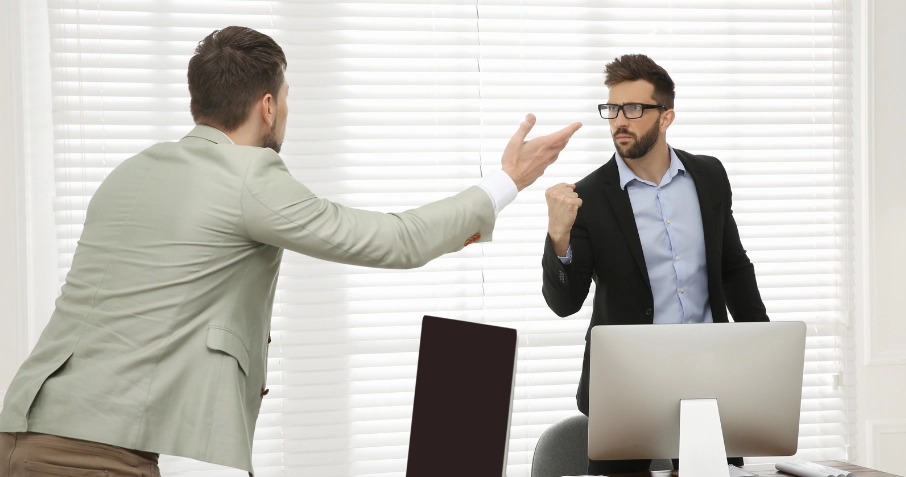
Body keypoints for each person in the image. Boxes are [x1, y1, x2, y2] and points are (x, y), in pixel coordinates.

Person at [0, 26, 581, 476]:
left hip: (23, 435)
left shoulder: (130, 171)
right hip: (94, 459)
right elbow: (395, 240)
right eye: (287, 97)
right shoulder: (249, 175)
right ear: (269, 107)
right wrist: (508, 181)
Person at [540, 53, 768, 474]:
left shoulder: (709, 176)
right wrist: (559, 236)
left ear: (666, 117)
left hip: (709, 377)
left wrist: (762, 351)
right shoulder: (588, 196)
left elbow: (733, 268)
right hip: (627, 387)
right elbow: (565, 303)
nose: (619, 121)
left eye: (634, 109)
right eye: (612, 109)